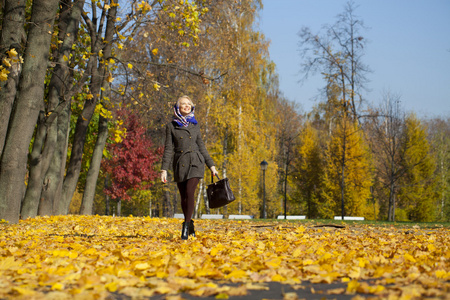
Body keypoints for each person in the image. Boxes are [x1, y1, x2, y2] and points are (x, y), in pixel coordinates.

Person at [161, 95, 218, 240]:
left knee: (189, 192)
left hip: (196, 162)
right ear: (177, 108)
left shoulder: (195, 125)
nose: (186, 106)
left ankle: (185, 227)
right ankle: (190, 223)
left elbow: (202, 147)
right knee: (184, 197)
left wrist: (211, 165)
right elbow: (168, 149)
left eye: (188, 104)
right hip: (180, 164)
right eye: (183, 104)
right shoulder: (171, 126)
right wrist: (164, 169)